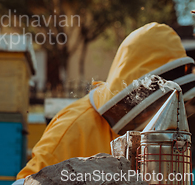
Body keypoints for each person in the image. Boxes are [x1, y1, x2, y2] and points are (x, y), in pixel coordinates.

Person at [13, 22, 195, 184]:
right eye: (156, 105)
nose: (157, 114)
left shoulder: (160, 141)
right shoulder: (74, 126)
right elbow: (25, 182)